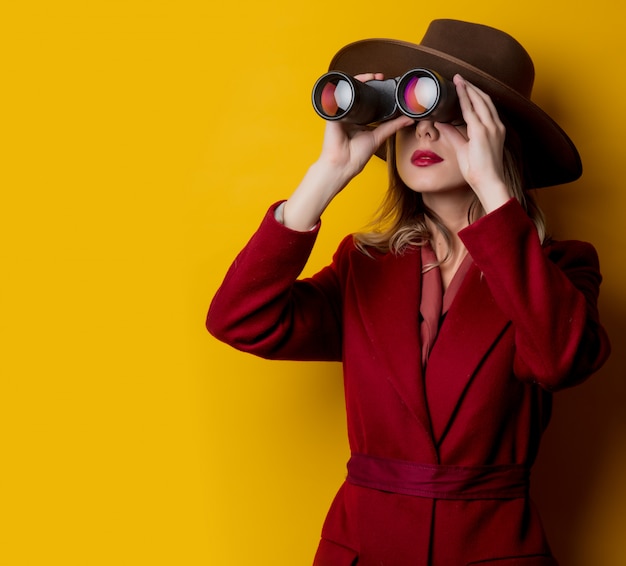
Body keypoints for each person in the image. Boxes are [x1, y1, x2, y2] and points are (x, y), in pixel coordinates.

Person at [206, 19, 611, 566]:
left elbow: (560, 361)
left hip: (489, 548)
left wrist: (494, 193)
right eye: (413, 112)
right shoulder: (364, 264)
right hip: (362, 547)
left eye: (449, 115)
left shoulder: (560, 267)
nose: (423, 131)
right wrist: (325, 176)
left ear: (498, 137)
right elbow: (240, 319)